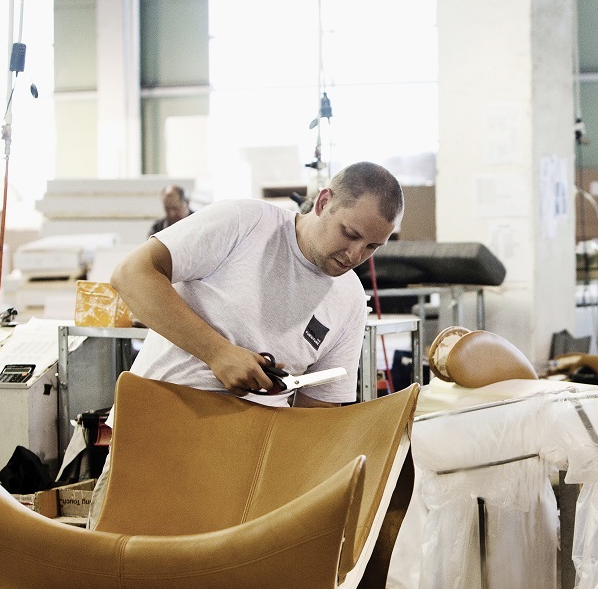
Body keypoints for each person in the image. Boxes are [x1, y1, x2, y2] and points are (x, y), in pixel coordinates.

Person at [87, 162, 403, 527]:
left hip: (249, 468)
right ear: (324, 202)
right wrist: (218, 353)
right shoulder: (246, 222)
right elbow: (130, 275)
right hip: (156, 439)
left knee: (216, 584)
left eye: (372, 247)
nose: (354, 255)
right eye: (349, 233)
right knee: (118, 575)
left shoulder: (349, 301)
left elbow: (317, 415)